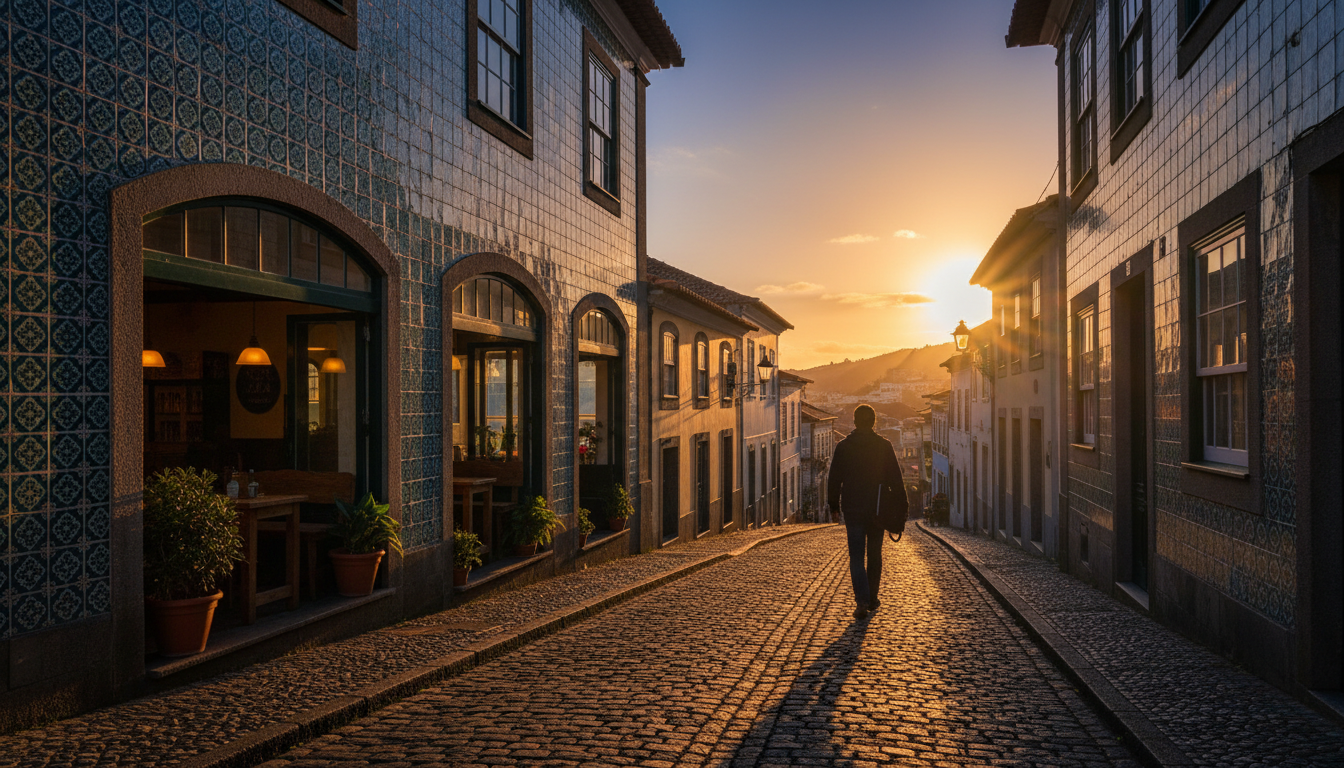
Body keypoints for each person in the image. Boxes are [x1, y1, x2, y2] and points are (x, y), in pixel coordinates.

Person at [827, 404, 905, 620]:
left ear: (854, 422)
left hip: (852, 509)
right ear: (873, 422)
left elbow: (834, 479)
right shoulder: (884, 446)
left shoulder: (844, 447)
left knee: (856, 557)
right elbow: (896, 482)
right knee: (874, 555)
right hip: (877, 511)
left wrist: (833, 506)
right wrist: (901, 511)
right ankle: (872, 598)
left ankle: (862, 600)